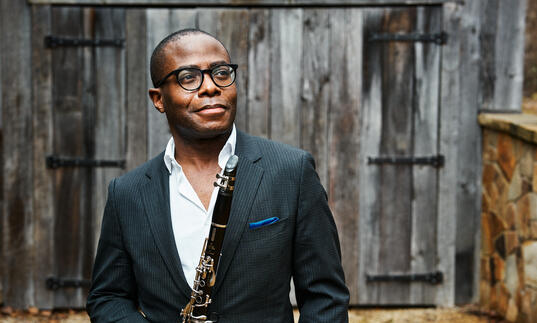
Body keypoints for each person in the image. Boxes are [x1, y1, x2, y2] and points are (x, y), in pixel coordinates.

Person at [86, 28, 349, 323]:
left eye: (221, 73)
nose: (210, 87)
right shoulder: (127, 193)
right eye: (188, 77)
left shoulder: (292, 171)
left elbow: (325, 297)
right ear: (158, 99)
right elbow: (108, 298)